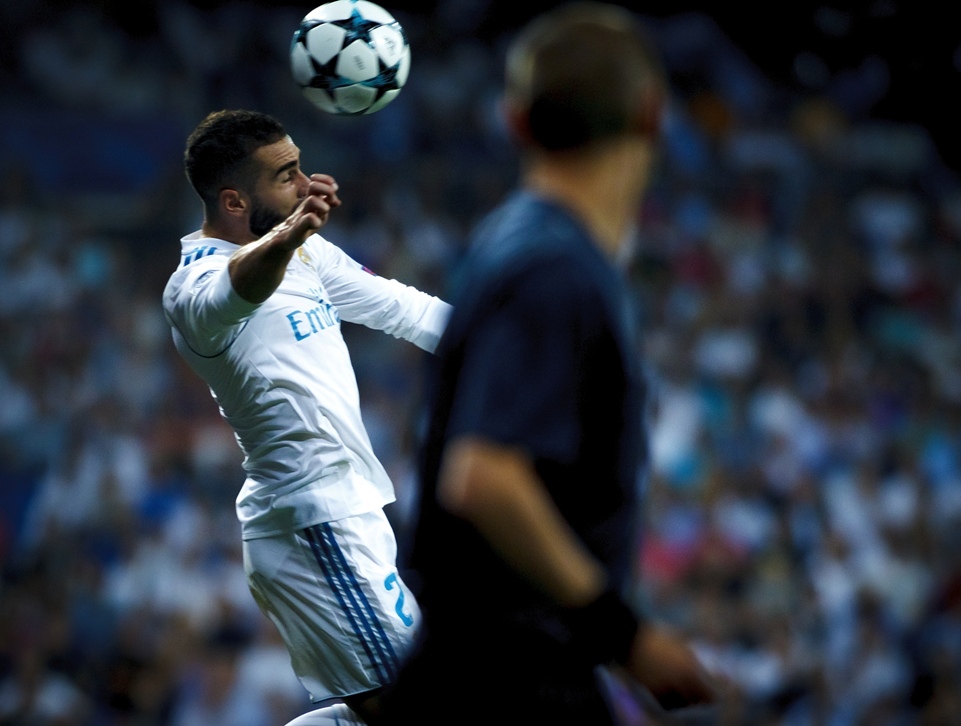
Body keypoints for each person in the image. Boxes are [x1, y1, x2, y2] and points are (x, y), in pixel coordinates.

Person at [371, 3, 723, 724]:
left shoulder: (512, 242)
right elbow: (486, 475)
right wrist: (627, 635)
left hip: (476, 672)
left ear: (516, 122)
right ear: (652, 117)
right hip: (507, 682)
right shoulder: (555, 270)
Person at [161, 109, 451, 725]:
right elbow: (238, 287)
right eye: (285, 174)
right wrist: (288, 236)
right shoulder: (192, 289)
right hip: (311, 521)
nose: (307, 182)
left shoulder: (307, 254)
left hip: (348, 513)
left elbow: (405, 310)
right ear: (236, 200)